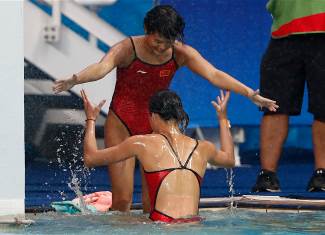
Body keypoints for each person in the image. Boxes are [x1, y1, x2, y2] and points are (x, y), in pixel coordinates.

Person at [53, 5, 278, 212]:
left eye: (167, 43)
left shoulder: (181, 53)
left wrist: (250, 94)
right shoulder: (127, 49)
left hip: (156, 128)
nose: (161, 48)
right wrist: (75, 79)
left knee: (154, 204)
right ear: (146, 29)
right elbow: (101, 68)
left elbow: (214, 74)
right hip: (122, 123)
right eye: (157, 41)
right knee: (122, 200)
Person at [81, 88, 235, 223]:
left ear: (153, 116)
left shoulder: (141, 143)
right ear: (179, 116)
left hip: (162, 226)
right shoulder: (203, 147)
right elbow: (229, 159)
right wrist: (222, 119)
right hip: (194, 225)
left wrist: (91, 119)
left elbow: (90, 158)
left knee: (120, 219)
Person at [252, 0, 325, 192]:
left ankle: (322, 173)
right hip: (284, 31)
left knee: (324, 108)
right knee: (274, 105)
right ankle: (267, 175)